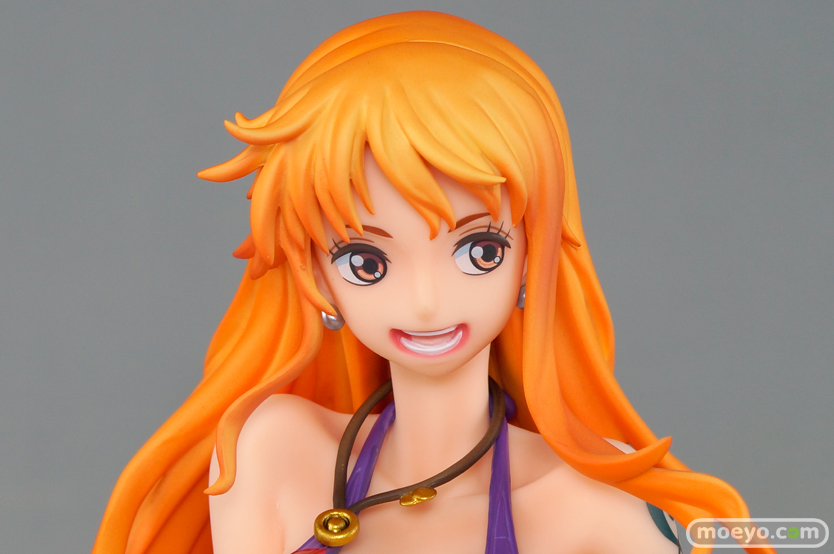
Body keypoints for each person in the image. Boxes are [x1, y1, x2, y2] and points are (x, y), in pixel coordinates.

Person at [93, 11, 770, 554]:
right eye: (367, 262)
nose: (425, 301)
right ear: (314, 271)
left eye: (479, 250)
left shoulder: (596, 499)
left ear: (533, 257)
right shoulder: (271, 450)